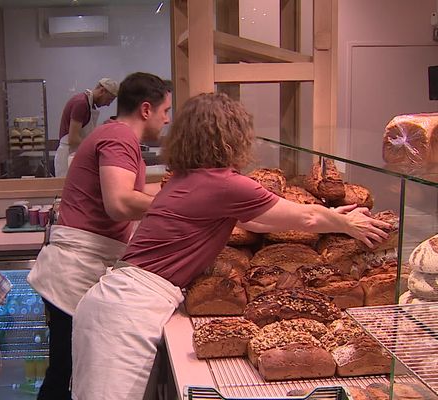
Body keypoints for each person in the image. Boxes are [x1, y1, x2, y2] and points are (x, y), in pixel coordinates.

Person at [71, 92, 391, 400]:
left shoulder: (189, 178)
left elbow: (258, 222)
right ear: (232, 137)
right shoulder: (224, 183)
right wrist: (348, 224)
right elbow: (304, 217)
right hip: (127, 309)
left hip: (121, 300)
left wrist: (333, 216)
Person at [27, 72, 172, 400]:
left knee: (66, 371)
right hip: (74, 271)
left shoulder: (116, 135)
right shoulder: (120, 138)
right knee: (65, 375)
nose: (166, 120)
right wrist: (176, 211)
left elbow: (133, 192)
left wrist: (178, 194)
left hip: (79, 267)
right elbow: (120, 203)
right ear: (146, 109)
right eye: (165, 111)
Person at [54, 77, 119, 177]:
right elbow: (73, 139)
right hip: (68, 156)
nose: (108, 104)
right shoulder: (81, 103)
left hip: (76, 155)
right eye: (109, 99)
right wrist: (95, 149)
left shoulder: (89, 105)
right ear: (102, 91)